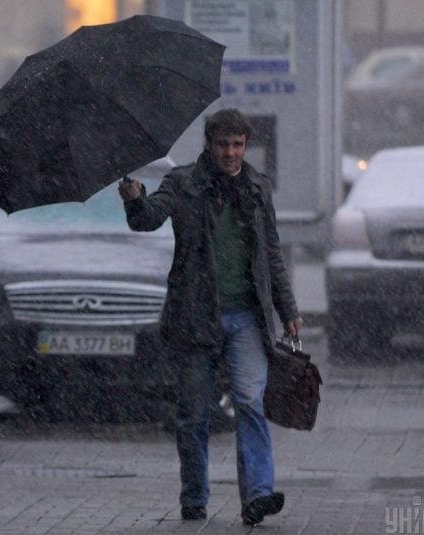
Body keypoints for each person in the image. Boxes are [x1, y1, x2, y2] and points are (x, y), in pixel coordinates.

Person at [118, 108, 302, 526]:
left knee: (250, 402)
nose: (230, 153)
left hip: (247, 317)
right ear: (209, 144)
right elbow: (148, 219)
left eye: (237, 145)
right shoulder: (183, 182)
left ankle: (258, 495)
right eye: (223, 145)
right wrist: (134, 199)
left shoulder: (257, 186)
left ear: (246, 145)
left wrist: (288, 309)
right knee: (193, 415)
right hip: (195, 316)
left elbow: (270, 253)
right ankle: (194, 497)